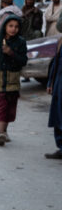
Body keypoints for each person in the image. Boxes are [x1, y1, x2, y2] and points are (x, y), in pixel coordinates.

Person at [0, 15, 28, 146]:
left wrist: (11, 53)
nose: (13, 29)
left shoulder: (20, 42)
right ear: (5, 27)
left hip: (12, 81)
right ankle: (1, 133)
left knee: (9, 108)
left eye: (16, 27)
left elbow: (23, 60)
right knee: (1, 106)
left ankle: (4, 132)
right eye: (10, 26)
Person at [46, 18, 62, 158]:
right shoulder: (60, 41)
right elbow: (56, 63)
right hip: (59, 82)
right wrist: (50, 82)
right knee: (58, 115)